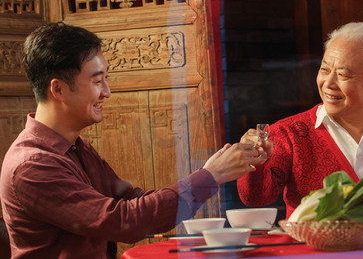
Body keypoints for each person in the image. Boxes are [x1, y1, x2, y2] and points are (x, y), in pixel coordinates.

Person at [0, 22, 267, 258]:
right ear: (58, 89)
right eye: (97, 81)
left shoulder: (76, 147)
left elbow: (132, 200)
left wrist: (214, 169)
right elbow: (123, 220)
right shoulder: (32, 165)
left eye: (106, 78)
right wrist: (210, 176)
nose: (107, 91)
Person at [237, 22, 363, 219]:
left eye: (343, 75)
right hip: (315, 253)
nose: (328, 83)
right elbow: (254, 198)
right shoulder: (288, 133)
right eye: (324, 70)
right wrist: (253, 161)